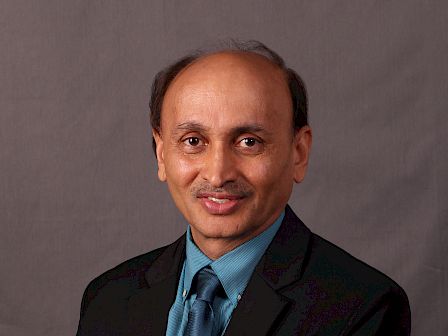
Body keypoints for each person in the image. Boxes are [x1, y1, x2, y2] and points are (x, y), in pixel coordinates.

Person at [76, 40, 411, 335]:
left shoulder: (363, 308)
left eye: (249, 142)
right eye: (193, 141)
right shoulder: (108, 298)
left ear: (299, 152)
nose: (218, 173)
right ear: (162, 154)